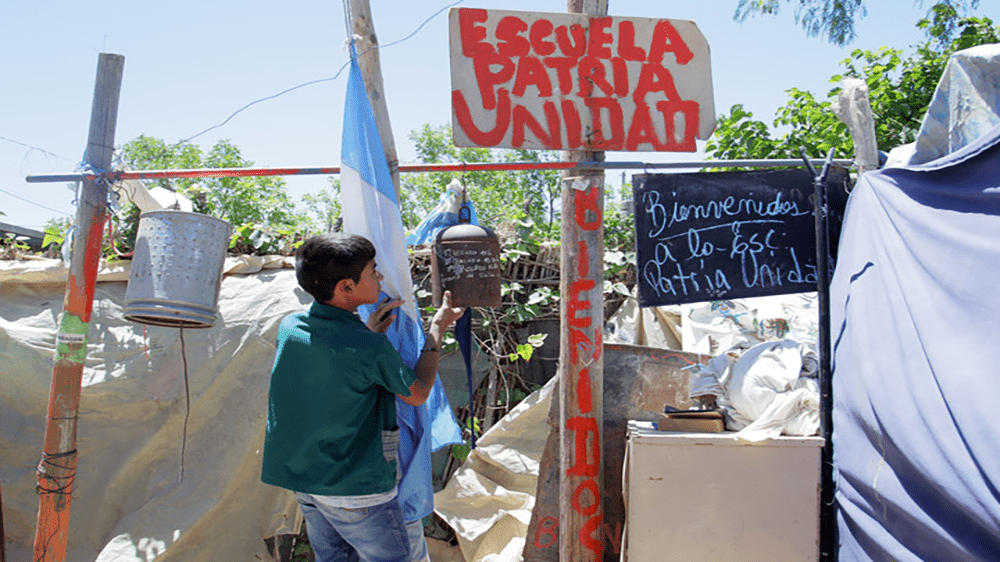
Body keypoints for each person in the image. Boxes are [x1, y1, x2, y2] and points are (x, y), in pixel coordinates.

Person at [261, 233, 464, 562]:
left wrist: (368, 333)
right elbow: (418, 394)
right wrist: (437, 330)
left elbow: (335, 369)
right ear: (345, 287)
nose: (381, 278)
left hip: (307, 480)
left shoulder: (291, 327)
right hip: (357, 490)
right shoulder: (368, 347)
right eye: (373, 272)